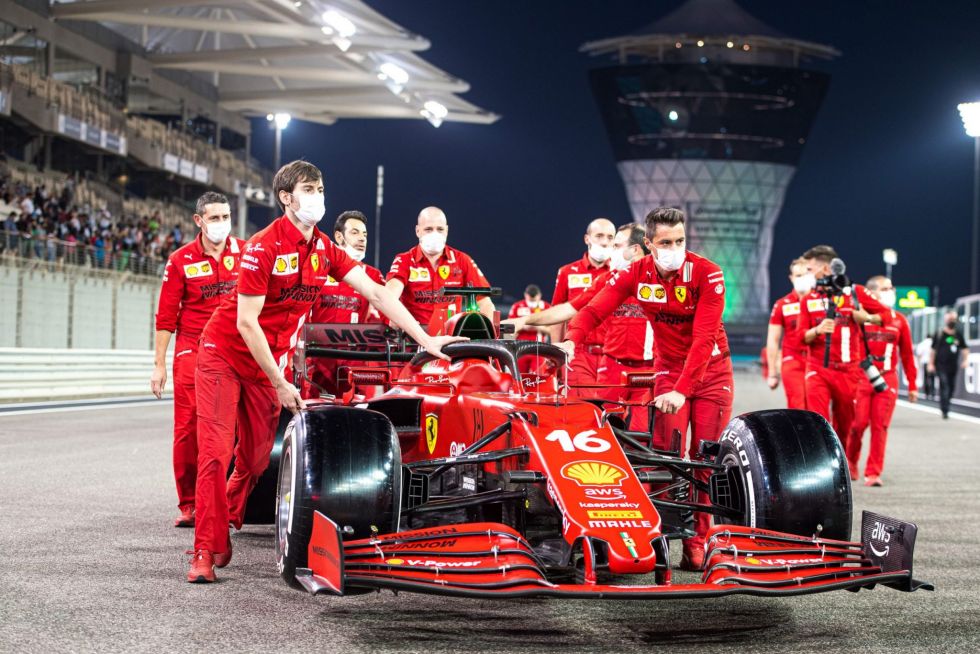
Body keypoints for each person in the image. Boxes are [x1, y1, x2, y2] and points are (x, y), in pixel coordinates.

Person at [187, 161, 464, 583]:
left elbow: (376, 293)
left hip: (264, 365)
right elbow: (246, 323)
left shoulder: (323, 249)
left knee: (257, 459)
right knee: (215, 452)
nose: (318, 196)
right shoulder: (262, 247)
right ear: (286, 198)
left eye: (320, 188)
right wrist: (281, 381)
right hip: (223, 354)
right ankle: (205, 549)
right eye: (308, 189)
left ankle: (227, 509)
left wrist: (426, 340)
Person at [561, 208, 733, 572]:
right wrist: (572, 340)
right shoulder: (634, 273)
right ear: (649, 244)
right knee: (664, 458)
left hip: (711, 373)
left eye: (680, 241)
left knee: (703, 462)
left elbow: (703, 340)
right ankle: (656, 538)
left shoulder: (708, 273)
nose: (675, 248)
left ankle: (697, 543)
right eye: (666, 242)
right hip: (669, 370)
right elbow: (593, 311)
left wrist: (682, 390)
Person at [501, 224, 655, 431]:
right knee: (597, 424)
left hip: (647, 369)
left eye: (616, 244)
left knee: (641, 432)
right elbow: (569, 309)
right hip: (604, 361)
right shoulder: (608, 278)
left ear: (635, 249)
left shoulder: (660, 280)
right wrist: (525, 321)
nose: (610, 249)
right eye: (601, 236)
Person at [150, 192, 244, 528]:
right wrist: (159, 364)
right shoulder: (180, 260)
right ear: (199, 220)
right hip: (193, 349)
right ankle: (189, 503)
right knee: (189, 428)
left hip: (236, 349)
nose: (221, 223)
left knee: (237, 428)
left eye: (225, 217)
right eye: (214, 218)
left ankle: (228, 500)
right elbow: (166, 316)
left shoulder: (247, 253)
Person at [797, 245, 892, 480]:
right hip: (817, 369)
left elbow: (887, 316)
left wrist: (866, 317)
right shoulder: (808, 299)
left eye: (810, 269)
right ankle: (820, 472)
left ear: (825, 268)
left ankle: (841, 465)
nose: (808, 274)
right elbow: (800, 337)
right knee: (818, 421)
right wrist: (817, 330)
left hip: (849, 372)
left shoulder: (855, 292)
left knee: (846, 424)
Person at [301, 210, 384, 399]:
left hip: (356, 366)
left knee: (359, 415)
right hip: (318, 364)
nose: (362, 238)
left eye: (365, 234)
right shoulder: (318, 269)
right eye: (355, 232)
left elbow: (389, 317)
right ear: (339, 237)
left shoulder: (373, 276)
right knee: (318, 414)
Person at [846, 276, 918, 487]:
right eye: (885, 288)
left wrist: (912, 385)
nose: (891, 291)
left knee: (880, 426)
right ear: (872, 293)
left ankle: (873, 472)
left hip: (887, 377)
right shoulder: (857, 317)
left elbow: (907, 355)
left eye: (891, 288)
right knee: (857, 424)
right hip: (861, 377)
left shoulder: (899, 320)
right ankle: (850, 463)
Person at [386, 206, 493, 330]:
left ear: (446, 231)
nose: (435, 234)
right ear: (417, 231)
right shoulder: (404, 260)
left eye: (440, 229)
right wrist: (395, 316)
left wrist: (487, 333)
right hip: (414, 336)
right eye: (428, 229)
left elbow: (485, 302)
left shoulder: (462, 260)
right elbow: (390, 295)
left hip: (452, 337)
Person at [550, 218, 615, 394]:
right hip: (579, 354)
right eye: (599, 236)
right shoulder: (567, 272)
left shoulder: (620, 273)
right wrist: (556, 354)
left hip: (613, 356)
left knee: (613, 409)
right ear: (587, 239)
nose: (605, 242)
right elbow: (557, 316)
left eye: (610, 237)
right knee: (583, 406)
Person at [765, 258, 812, 409]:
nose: (802, 279)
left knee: (817, 409)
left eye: (806, 275)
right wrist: (772, 372)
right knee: (798, 407)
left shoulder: (823, 302)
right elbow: (773, 339)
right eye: (798, 275)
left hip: (817, 363)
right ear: (791, 278)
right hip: (793, 362)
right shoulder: (782, 305)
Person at [929, 310, 969, 419]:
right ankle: (944, 409)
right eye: (950, 319)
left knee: (951, 388)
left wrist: (965, 360)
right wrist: (931, 364)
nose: (952, 321)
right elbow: (933, 350)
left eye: (954, 319)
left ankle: (946, 405)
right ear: (946, 320)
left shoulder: (958, 334)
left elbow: (965, 348)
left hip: (953, 366)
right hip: (941, 365)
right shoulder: (939, 334)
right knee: (944, 386)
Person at [507, 284, 552, 373]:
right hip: (520, 348)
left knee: (538, 376)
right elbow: (509, 327)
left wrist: (537, 327)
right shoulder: (517, 306)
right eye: (530, 299)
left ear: (539, 295)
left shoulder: (546, 307)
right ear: (525, 295)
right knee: (519, 376)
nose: (532, 301)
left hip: (538, 348)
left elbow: (553, 330)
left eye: (534, 299)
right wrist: (522, 326)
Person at [915, 335, 935, 400]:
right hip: (932, 362)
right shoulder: (933, 342)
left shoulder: (923, 343)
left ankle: (927, 393)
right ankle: (933, 393)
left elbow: (919, 353)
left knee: (926, 377)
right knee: (932, 378)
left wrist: (919, 362)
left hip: (925, 362)